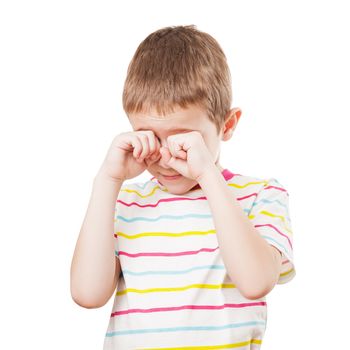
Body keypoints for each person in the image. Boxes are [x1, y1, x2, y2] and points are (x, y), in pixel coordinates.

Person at [70, 25, 296, 349]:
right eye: (149, 135)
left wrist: (207, 175)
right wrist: (108, 180)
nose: (166, 156)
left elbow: (256, 281)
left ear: (227, 125)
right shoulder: (125, 202)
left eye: (184, 139)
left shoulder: (260, 196)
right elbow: (87, 294)